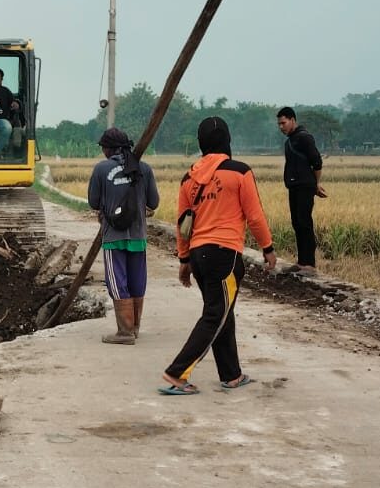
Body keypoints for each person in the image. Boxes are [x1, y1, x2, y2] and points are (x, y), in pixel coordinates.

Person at [158, 116, 276, 395]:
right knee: (215, 314)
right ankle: (177, 373)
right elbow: (255, 216)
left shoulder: (189, 179)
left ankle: (232, 375)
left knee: (223, 311)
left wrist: (184, 260)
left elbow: (182, 223)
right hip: (225, 255)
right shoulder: (239, 172)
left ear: (201, 143)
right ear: (227, 140)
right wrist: (267, 248)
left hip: (199, 255)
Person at [87, 126, 160, 345]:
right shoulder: (144, 169)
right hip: (138, 234)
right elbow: (153, 202)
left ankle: (125, 332)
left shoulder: (101, 170)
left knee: (117, 281)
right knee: (137, 279)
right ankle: (135, 327)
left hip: (113, 235)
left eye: (103, 148)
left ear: (109, 149)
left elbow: (93, 201)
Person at [276, 106, 327, 273]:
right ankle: (301, 262)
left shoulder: (304, 138)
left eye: (283, 123)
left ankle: (309, 264)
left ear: (292, 120)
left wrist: (315, 184)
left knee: (305, 222)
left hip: (305, 186)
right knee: (297, 222)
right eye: (279, 124)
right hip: (294, 187)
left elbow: (317, 162)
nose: (281, 127)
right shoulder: (290, 141)